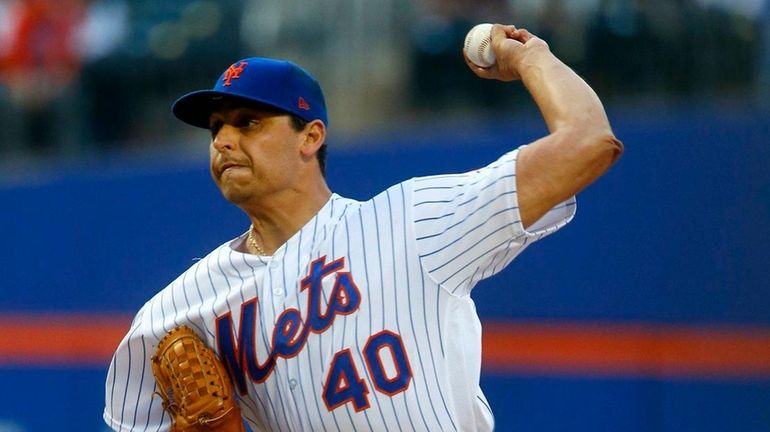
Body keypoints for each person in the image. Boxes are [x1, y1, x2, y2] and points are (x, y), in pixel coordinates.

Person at [104, 24, 622, 431]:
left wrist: (531, 57)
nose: (223, 140)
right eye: (217, 128)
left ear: (311, 137)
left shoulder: (411, 223)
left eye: (249, 122)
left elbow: (589, 142)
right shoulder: (180, 311)